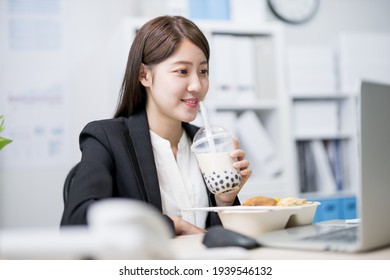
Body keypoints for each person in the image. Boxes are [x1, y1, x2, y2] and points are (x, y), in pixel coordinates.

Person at [60, 15, 251, 236]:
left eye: (203, 71)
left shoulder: (203, 145)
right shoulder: (105, 139)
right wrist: (170, 225)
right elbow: (77, 222)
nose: (197, 85)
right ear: (144, 75)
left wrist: (224, 201)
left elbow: (221, 240)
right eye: (182, 71)